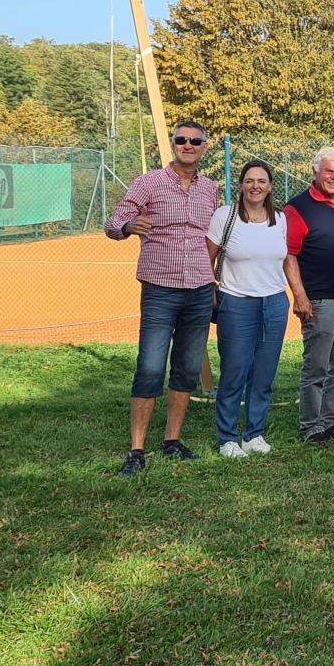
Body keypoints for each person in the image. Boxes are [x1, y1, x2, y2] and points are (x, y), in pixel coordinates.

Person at [105, 120, 220, 475]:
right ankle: (136, 449)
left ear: (204, 147)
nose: (188, 145)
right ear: (173, 144)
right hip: (160, 288)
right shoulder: (148, 183)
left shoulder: (210, 189)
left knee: (187, 367)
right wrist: (128, 227)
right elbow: (113, 224)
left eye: (195, 141)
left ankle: (172, 441)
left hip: (200, 289)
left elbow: (213, 239)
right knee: (150, 366)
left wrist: (215, 283)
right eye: (181, 139)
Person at [205, 159, 288, 459]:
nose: (256, 186)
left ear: (270, 186)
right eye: (250, 180)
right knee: (234, 371)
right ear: (241, 184)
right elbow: (207, 258)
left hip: (274, 303)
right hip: (236, 302)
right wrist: (211, 292)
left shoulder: (279, 218)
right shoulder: (225, 216)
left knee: (263, 374)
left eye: (262, 181)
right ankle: (228, 438)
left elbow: (284, 258)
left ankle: (254, 434)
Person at [283, 146, 334, 445]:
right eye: (329, 171)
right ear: (315, 172)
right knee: (316, 366)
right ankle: (311, 425)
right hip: (319, 300)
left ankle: (331, 421)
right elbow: (289, 255)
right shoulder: (297, 208)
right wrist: (300, 295)